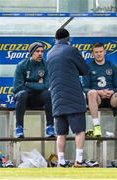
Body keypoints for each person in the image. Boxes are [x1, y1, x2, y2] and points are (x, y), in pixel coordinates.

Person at [47, 28, 89, 167]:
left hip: (57, 98)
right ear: (68, 38)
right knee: (80, 131)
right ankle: (79, 161)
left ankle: (61, 161)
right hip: (73, 97)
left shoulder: (50, 53)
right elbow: (85, 70)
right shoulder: (71, 50)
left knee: (61, 133)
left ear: (56, 39)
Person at [82, 42, 117, 138]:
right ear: (93, 54)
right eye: (96, 52)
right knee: (91, 92)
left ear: (105, 52)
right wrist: (98, 92)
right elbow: (85, 88)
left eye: (100, 51)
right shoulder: (88, 68)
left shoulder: (112, 67)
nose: (99, 54)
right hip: (97, 99)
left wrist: (112, 91)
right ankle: (96, 127)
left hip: (111, 98)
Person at [13, 42, 54, 138]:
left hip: (38, 99)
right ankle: (19, 127)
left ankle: (50, 126)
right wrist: (38, 85)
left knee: (48, 93)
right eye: (37, 51)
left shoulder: (46, 65)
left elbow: (47, 85)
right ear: (31, 52)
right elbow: (17, 88)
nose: (40, 53)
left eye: (42, 51)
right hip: (24, 100)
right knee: (22, 94)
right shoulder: (22, 65)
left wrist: (28, 84)